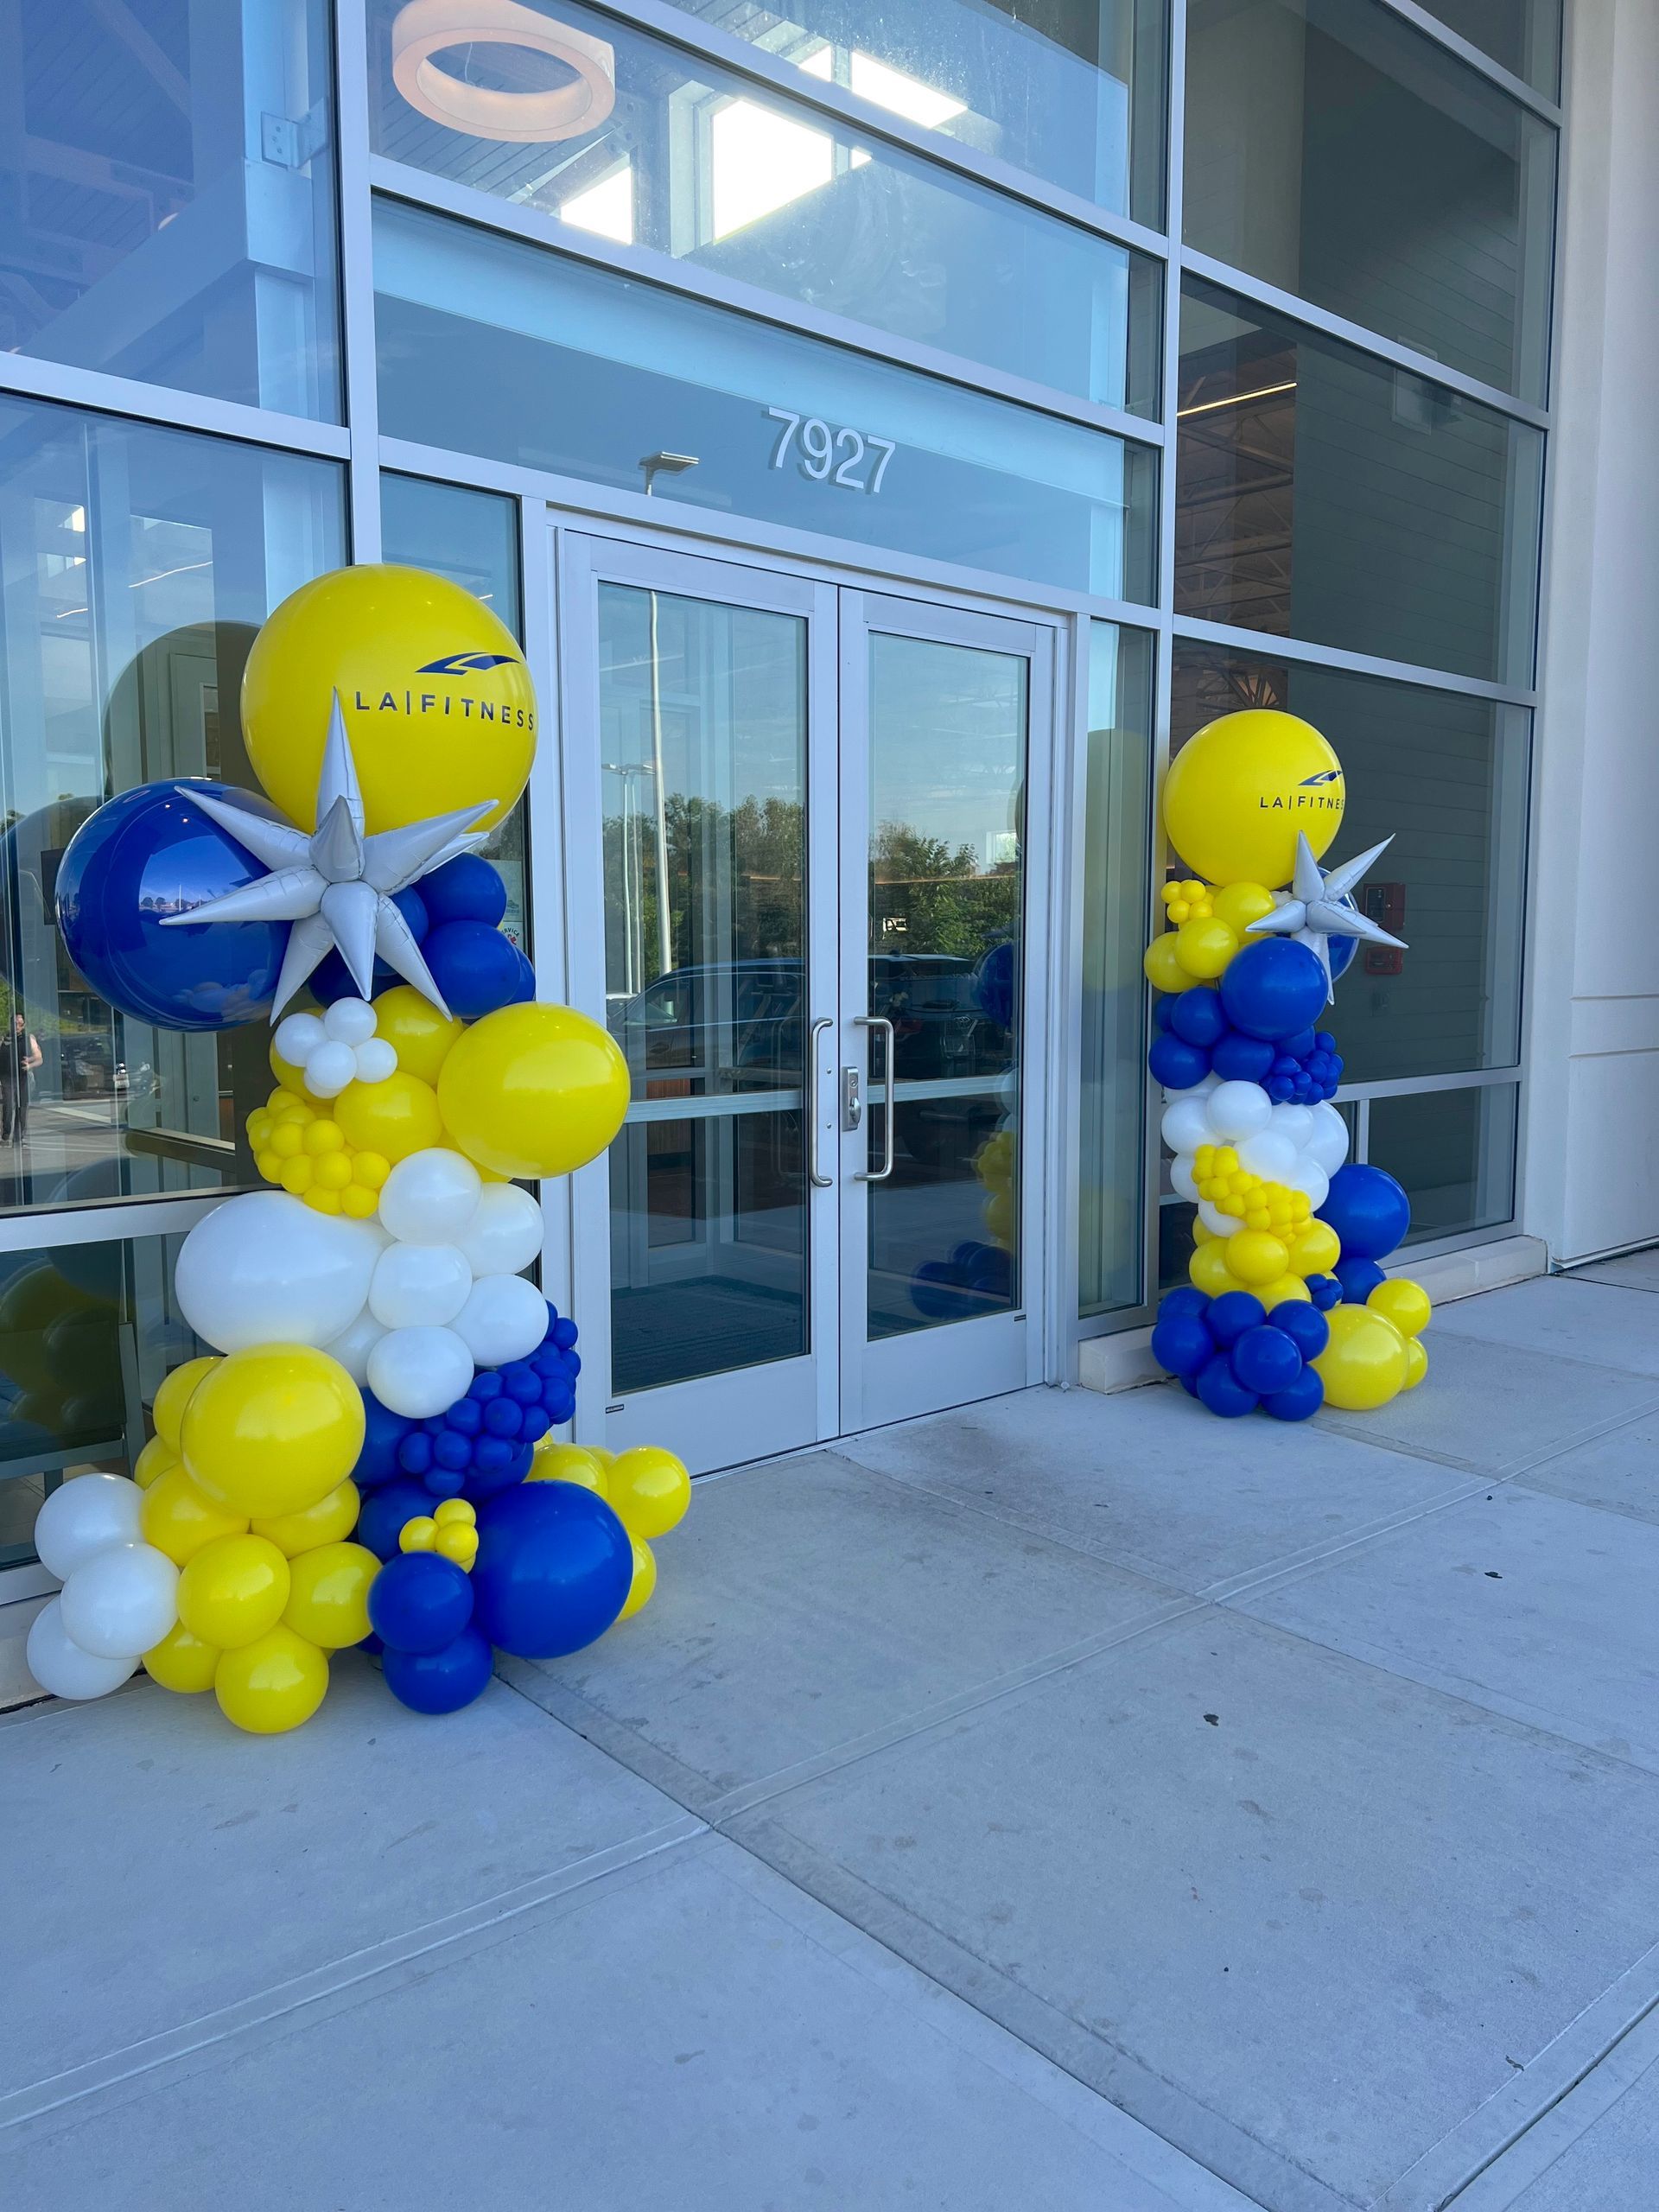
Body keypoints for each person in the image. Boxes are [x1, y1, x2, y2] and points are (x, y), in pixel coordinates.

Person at [1, 1011, 41, 1144]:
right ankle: (6, 1132)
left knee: (22, 1106)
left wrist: (30, 1063)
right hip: (6, 1077)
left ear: (23, 1026)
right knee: (7, 1105)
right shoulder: (3, 1039)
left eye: (20, 1024)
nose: (17, 1026)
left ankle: (19, 1136)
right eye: (15, 1024)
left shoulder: (29, 1038)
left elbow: (39, 1058)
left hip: (23, 1077)